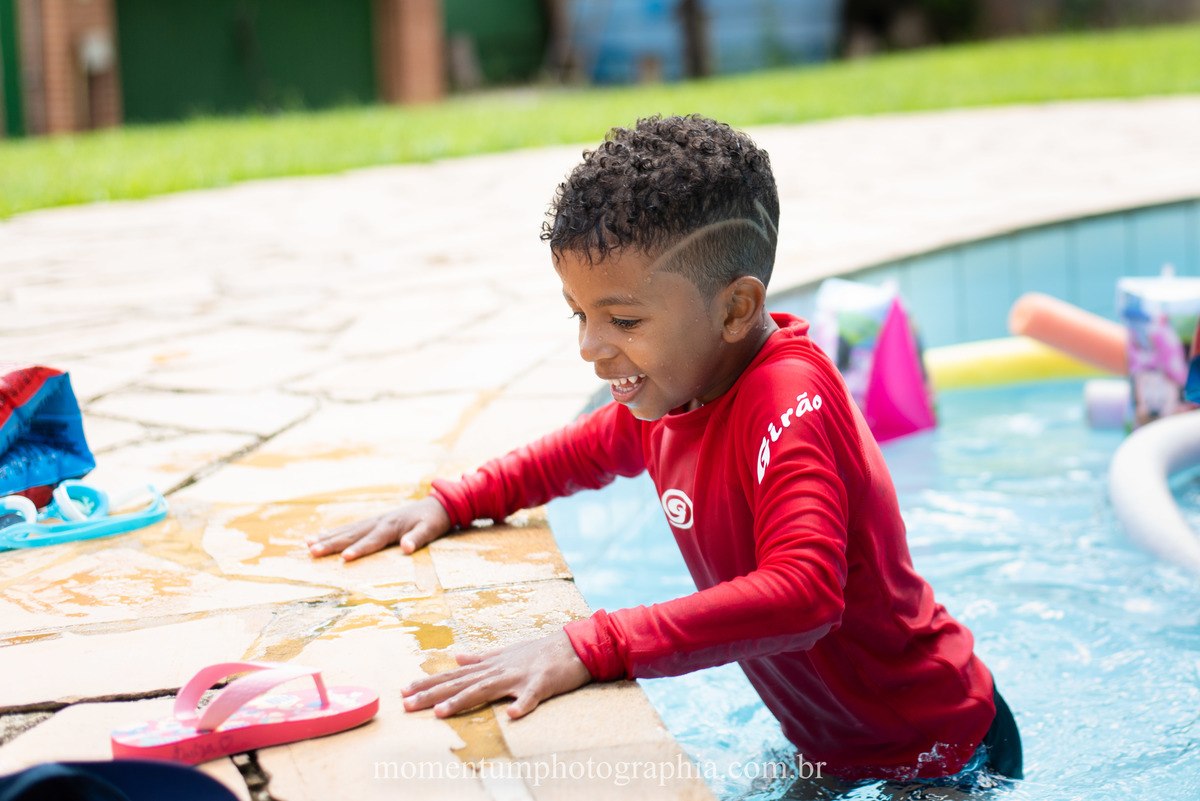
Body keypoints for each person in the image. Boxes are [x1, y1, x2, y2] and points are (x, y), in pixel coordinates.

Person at [306, 114, 1022, 785]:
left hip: (939, 749)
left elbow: (804, 594)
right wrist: (454, 499)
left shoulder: (788, 401)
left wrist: (594, 642)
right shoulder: (677, 389)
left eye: (622, 318)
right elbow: (581, 451)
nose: (589, 346)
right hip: (829, 747)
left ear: (736, 309)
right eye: (579, 313)